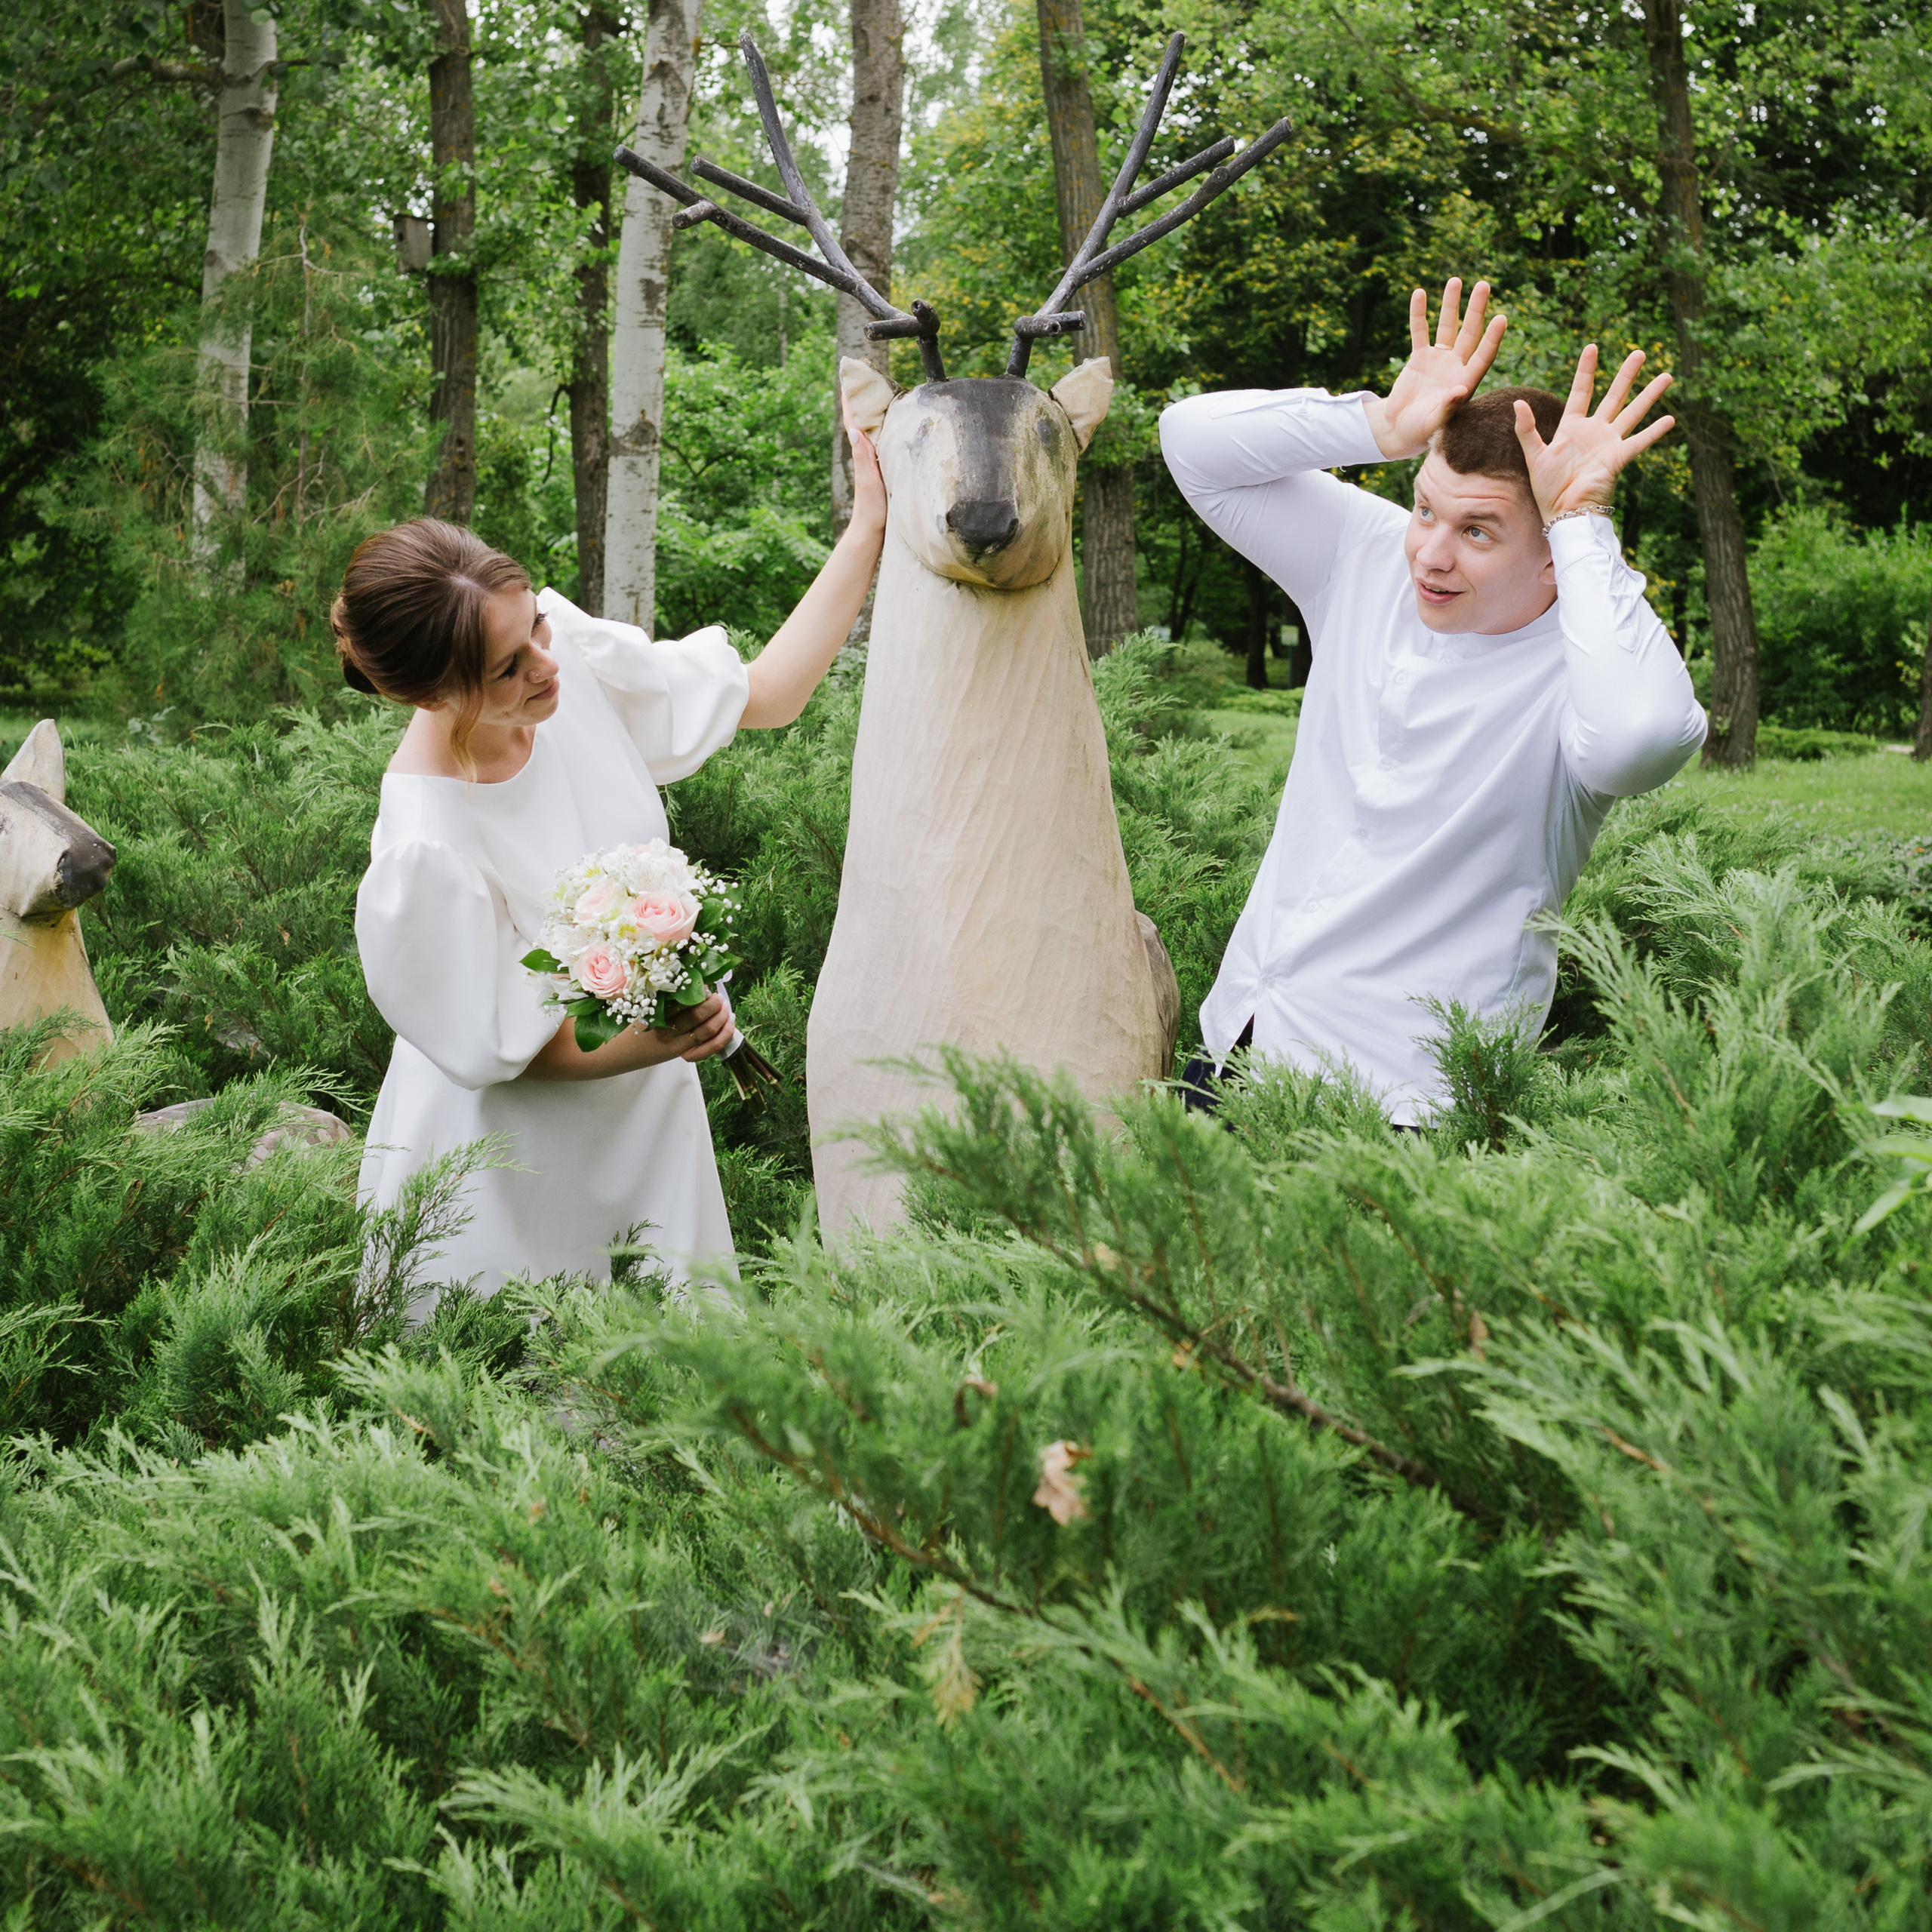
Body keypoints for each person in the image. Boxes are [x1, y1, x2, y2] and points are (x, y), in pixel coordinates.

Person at [340, 401, 885, 1299]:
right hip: (507, 1172)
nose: (545, 669)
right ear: (433, 693)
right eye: (507, 669)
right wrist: (667, 1033)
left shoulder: (572, 669)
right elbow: (518, 1050)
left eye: (536, 631)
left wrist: (869, 524)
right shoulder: (425, 849)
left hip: (647, 1128)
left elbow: (773, 693)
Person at [1159, 278, 1706, 1124]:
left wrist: (1584, 522)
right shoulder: (1367, 554)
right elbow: (1190, 441)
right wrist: (1378, 425)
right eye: (1424, 509)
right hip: (1237, 1042)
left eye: (1477, 531)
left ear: (1558, 556)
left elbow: (1640, 741)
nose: (1430, 555)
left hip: (1403, 1103)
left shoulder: (1584, 670)